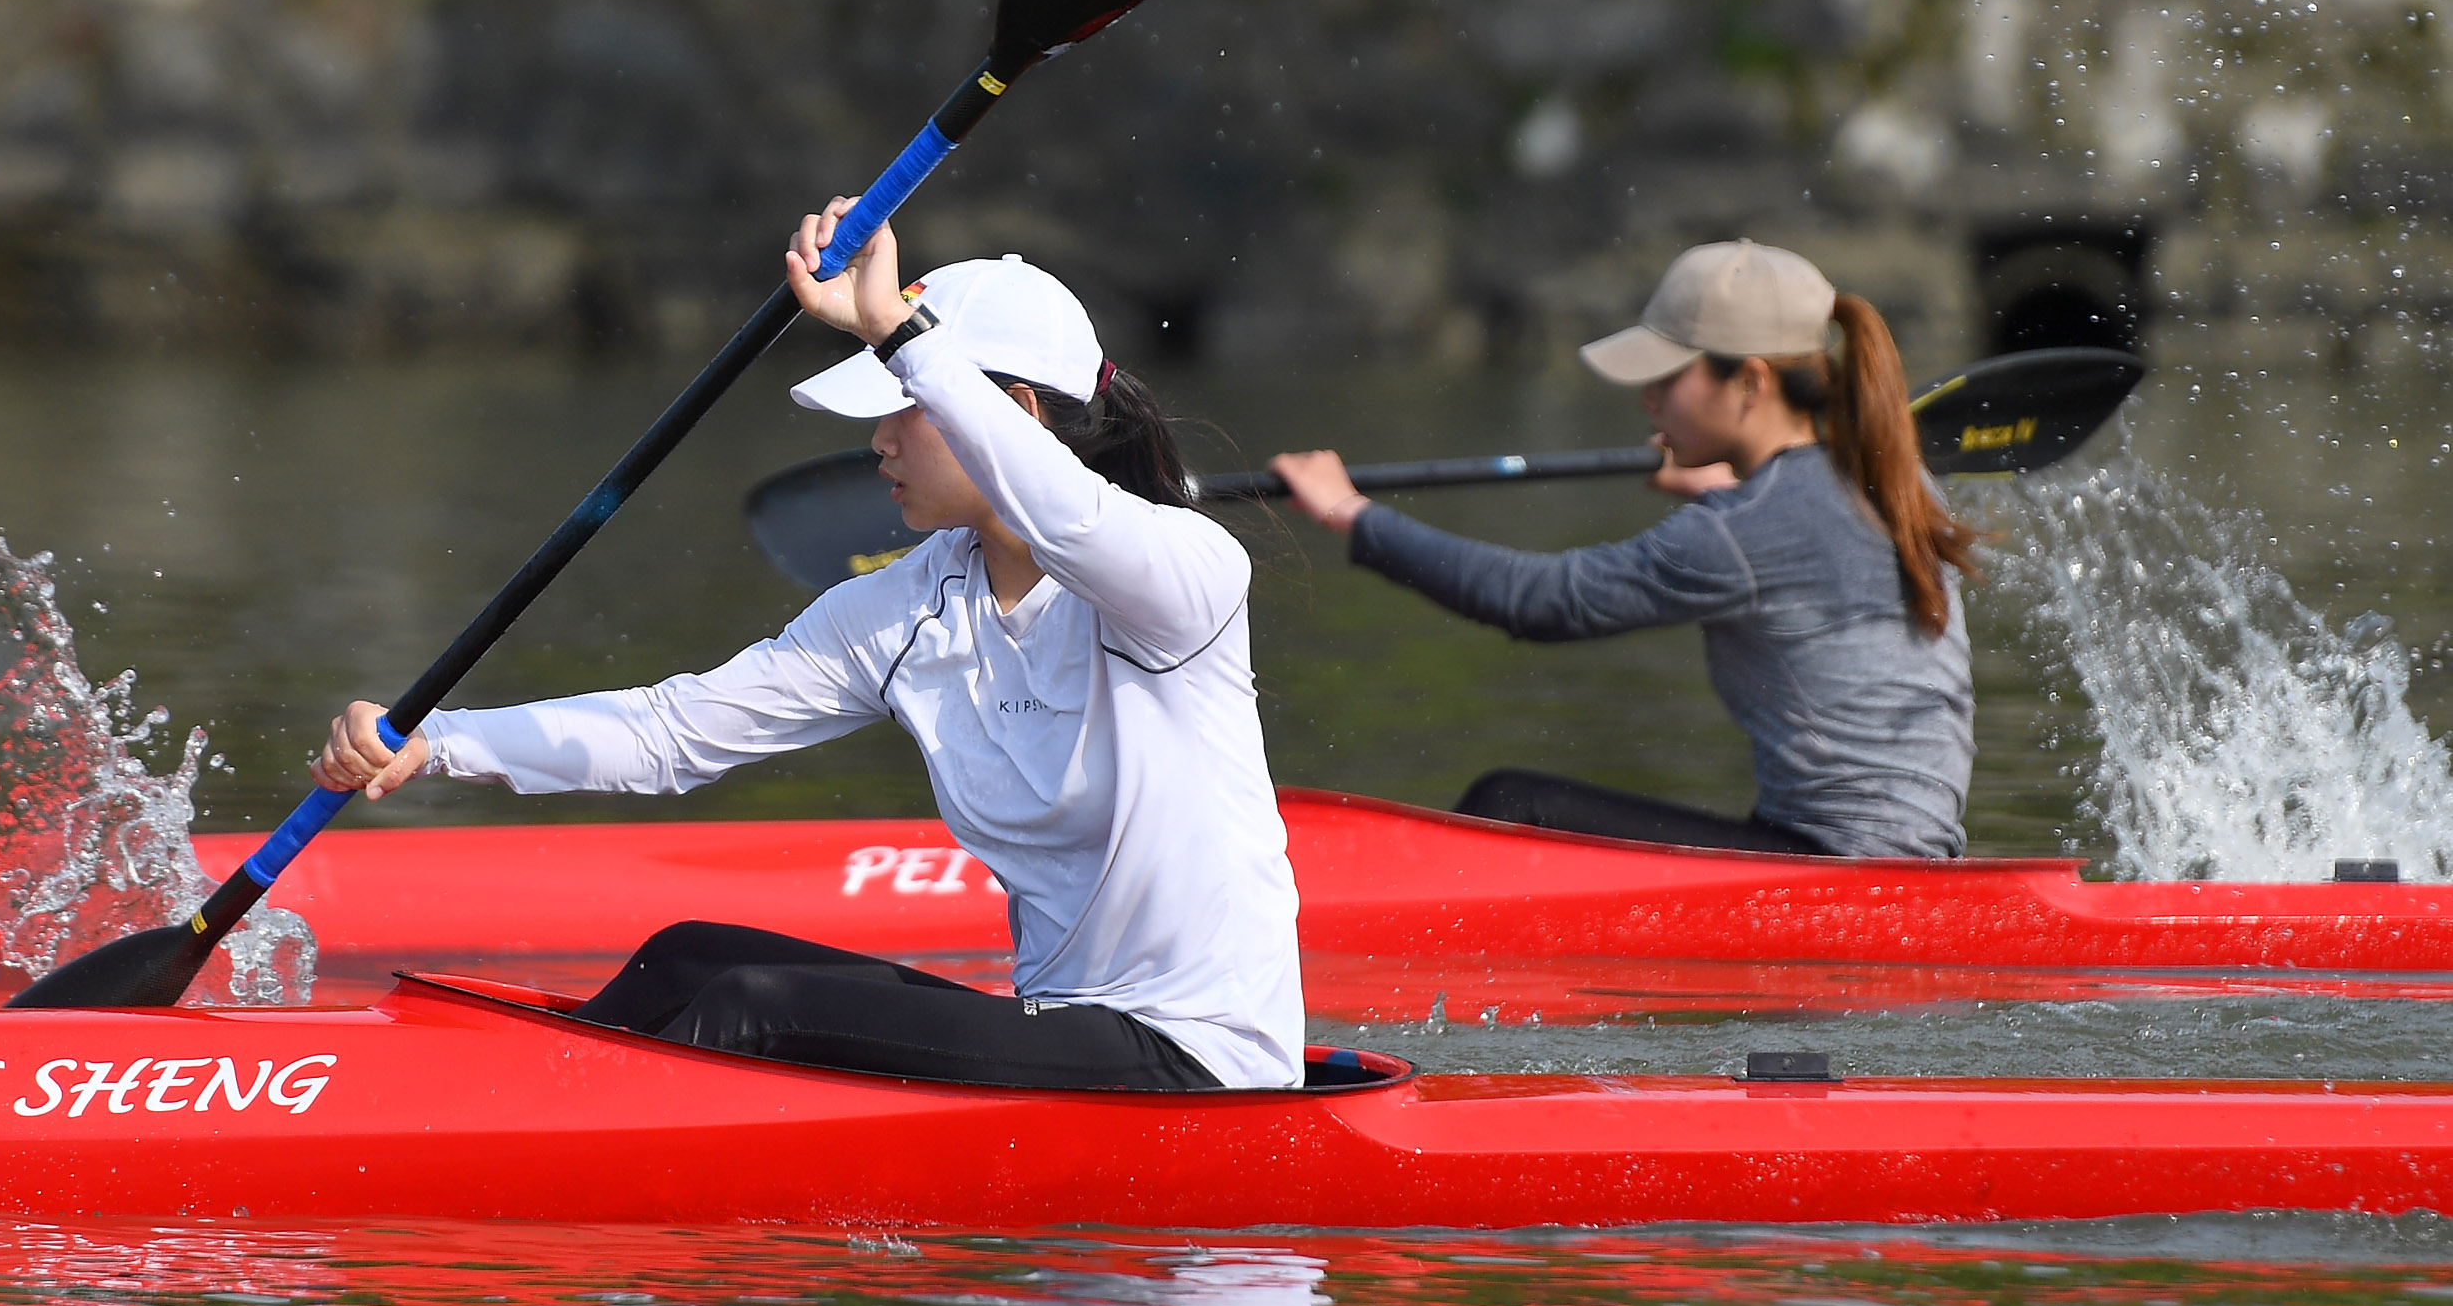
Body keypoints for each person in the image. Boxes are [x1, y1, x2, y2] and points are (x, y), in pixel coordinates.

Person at [310, 202, 1307, 1091]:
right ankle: (483, 1113)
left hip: (1200, 1060)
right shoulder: (911, 606)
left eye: (898, 409)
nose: (875, 442)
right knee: (687, 959)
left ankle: (542, 1179)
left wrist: (900, 334)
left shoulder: (1184, 578)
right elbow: (674, 733)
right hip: (1064, 1031)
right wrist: (437, 742)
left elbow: (1071, 517)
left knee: (757, 1008)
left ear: (1011, 410)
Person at [1269, 239, 1977, 859]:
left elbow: (1540, 602)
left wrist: (1353, 515)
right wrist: (1719, 489)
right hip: (1905, 858)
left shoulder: (1740, 529)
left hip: (1839, 871)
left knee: (1511, 802)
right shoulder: (1892, 476)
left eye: (1669, 376)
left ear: (1751, 382)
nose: (1648, 397)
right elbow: (1807, 546)